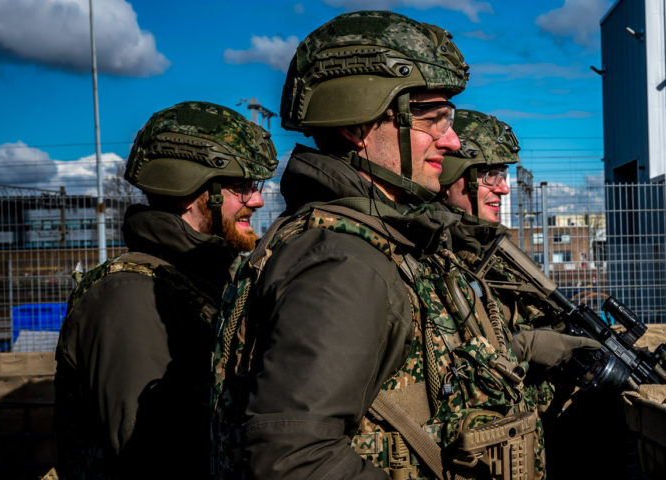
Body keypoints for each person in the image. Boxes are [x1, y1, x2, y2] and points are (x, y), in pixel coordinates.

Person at [211, 11, 542, 480]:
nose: (451, 141)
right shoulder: (343, 260)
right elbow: (293, 458)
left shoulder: (372, 240)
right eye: (433, 118)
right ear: (357, 126)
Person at [54, 101, 278, 478]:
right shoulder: (131, 296)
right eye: (241, 186)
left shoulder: (199, 283)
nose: (256, 200)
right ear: (189, 188)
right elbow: (154, 456)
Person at [435, 110, 600, 415]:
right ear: (450, 175)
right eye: (489, 175)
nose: (504, 188)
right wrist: (522, 346)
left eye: (503, 174)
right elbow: (440, 369)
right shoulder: (434, 255)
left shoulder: (490, 254)